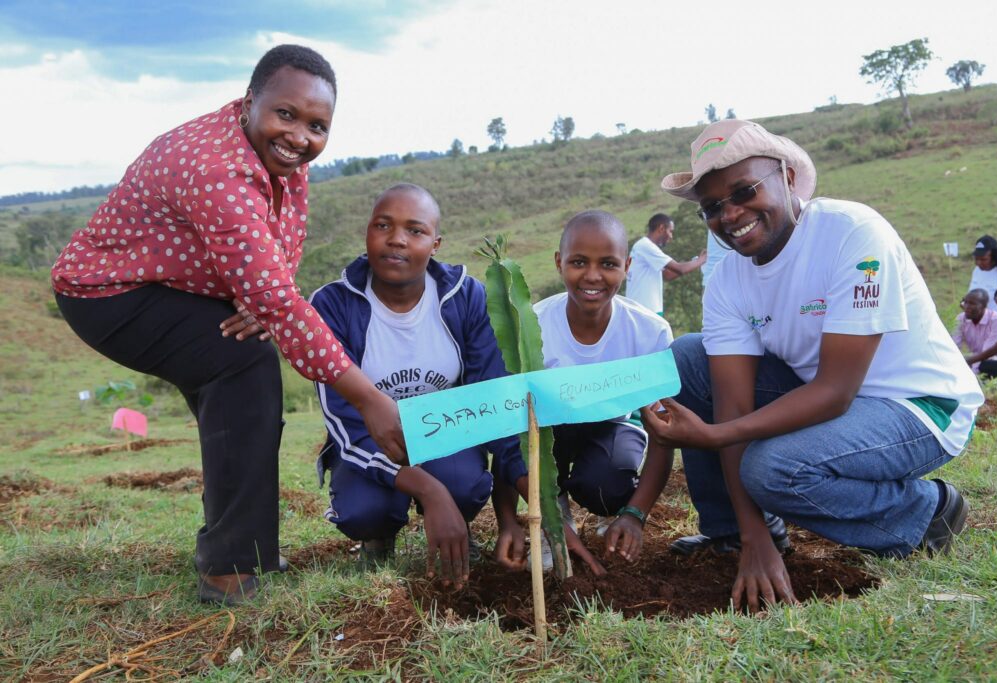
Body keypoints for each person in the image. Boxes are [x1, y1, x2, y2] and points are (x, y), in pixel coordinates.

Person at [50, 45, 405, 605]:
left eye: (317, 125)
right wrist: (367, 399)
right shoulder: (217, 168)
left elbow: (284, 237)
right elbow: (282, 303)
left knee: (241, 380)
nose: (299, 137)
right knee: (242, 366)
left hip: (173, 286)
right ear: (249, 101)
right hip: (109, 292)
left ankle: (239, 551)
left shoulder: (281, 157)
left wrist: (261, 297)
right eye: (285, 115)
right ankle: (229, 569)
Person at [645, 119, 983, 609]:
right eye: (713, 207)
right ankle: (731, 535)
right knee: (688, 361)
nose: (731, 214)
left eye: (744, 190)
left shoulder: (853, 234)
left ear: (785, 175)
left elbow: (835, 391)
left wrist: (713, 435)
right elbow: (733, 405)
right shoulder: (727, 279)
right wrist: (754, 535)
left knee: (772, 469)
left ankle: (924, 514)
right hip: (827, 400)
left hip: (915, 406)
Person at [310, 184, 532, 588]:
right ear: (367, 233)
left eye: (415, 230)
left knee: (464, 485)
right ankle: (377, 539)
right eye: (383, 225)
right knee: (363, 510)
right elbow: (345, 426)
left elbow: (492, 396)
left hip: (445, 436)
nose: (396, 239)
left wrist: (534, 494)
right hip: (370, 442)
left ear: (435, 243)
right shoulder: (333, 305)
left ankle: (456, 528)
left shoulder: (465, 297)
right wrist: (429, 492)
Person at [493, 210, 677, 571]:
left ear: (627, 266)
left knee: (606, 482)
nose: (593, 276)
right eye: (579, 262)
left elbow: (663, 434)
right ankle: (552, 515)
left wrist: (636, 514)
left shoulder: (650, 332)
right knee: (536, 439)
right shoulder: (532, 329)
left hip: (614, 427)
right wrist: (507, 518)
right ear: (560, 263)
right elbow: (504, 427)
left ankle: (613, 511)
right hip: (547, 436)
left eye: (608, 264)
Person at [625, 213, 706, 315]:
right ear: (661, 228)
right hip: (644, 312)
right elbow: (680, 269)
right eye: (670, 231)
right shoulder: (646, 246)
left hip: (648, 311)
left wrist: (696, 261)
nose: (671, 236)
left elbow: (667, 275)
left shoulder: (643, 247)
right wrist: (702, 259)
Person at [953, 288, 997, 373]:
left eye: (972, 304)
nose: (966, 307)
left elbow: (988, 352)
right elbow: (954, 346)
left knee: (984, 368)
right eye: (965, 302)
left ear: (984, 306)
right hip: (977, 357)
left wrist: (970, 367)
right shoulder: (961, 318)